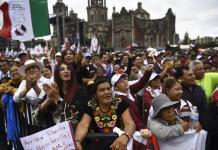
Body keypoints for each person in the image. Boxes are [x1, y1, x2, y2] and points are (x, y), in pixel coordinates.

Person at [75, 78, 136, 150]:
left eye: (108, 89)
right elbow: (83, 125)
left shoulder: (120, 103)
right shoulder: (91, 105)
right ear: (95, 94)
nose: (107, 92)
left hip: (117, 145)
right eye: (102, 90)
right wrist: (77, 141)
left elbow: (130, 124)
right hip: (96, 145)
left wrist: (125, 137)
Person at [32, 62, 87, 129]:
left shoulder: (81, 90)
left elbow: (75, 117)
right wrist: (48, 100)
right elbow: (35, 115)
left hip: (74, 132)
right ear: (57, 74)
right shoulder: (53, 89)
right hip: (54, 133)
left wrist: (57, 99)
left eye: (69, 69)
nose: (66, 71)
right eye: (62, 69)